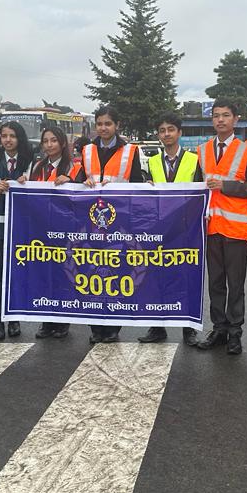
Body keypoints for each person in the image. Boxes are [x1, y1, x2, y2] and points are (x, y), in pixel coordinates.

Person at [196, 100, 247, 355]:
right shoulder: (202, 151)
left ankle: (235, 332)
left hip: (235, 228)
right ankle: (218, 329)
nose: (220, 120)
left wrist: (226, 186)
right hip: (211, 227)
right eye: (216, 116)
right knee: (216, 283)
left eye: (225, 116)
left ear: (236, 119)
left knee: (236, 283)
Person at [77, 106, 144, 343]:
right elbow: (78, 183)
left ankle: (114, 326)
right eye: (100, 124)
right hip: (92, 224)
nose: (103, 128)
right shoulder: (86, 150)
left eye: (108, 124)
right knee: (92, 272)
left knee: (116, 274)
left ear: (117, 125)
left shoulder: (130, 151)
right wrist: (76, 181)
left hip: (120, 224)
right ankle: (95, 327)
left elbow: (137, 185)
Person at [138, 112, 203, 347]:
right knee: (156, 277)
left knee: (187, 277)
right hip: (159, 229)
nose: (167, 134)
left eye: (171, 129)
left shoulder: (195, 160)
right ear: (158, 135)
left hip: (187, 229)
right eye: (162, 130)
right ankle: (157, 327)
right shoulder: (152, 162)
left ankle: (189, 329)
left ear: (179, 132)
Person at [21, 125, 82, 339]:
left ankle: (63, 320)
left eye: (53, 140)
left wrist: (72, 181)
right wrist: (22, 183)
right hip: (41, 230)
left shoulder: (74, 167)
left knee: (64, 274)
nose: (49, 145)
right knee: (44, 275)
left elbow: (84, 194)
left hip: (65, 231)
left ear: (62, 143)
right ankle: (47, 320)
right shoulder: (36, 167)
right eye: (45, 141)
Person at [0, 121, 33, 341]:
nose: (8, 140)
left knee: (17, 275)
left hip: (22, 229)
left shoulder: (31, 163)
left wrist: (27, 184)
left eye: (12, 136)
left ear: (19, 138)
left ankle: (14, 319)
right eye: (4, 136)